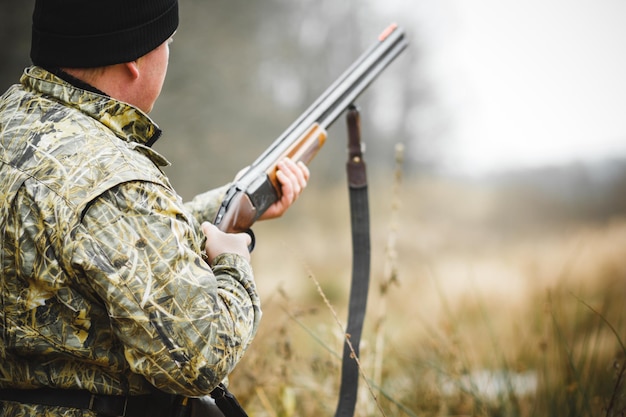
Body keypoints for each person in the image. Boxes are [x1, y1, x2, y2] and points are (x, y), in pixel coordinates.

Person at [0, 1, 310, 416]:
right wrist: (234, 259)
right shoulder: (119, 181)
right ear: (134, 57)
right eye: (167, 42)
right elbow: (198, 360)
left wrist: (225, 204)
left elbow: (99, 235)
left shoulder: (12, 122)